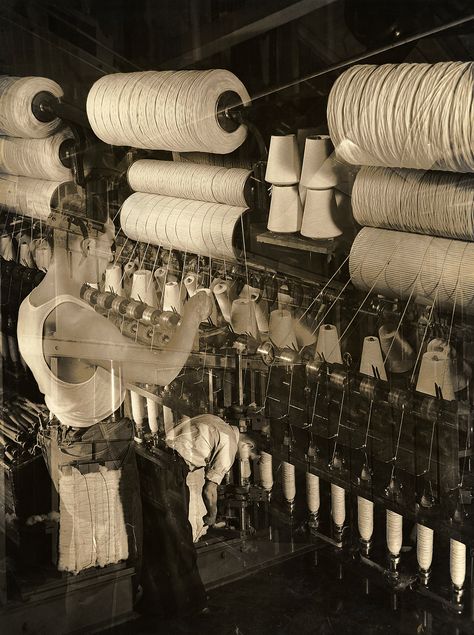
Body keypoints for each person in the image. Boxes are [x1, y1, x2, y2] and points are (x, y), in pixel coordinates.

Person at [16, 213, 213, 610]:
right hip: (100, 450)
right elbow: (163, 370)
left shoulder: (33, 304)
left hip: (64, 439)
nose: (112, 254)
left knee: (97, 558)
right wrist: (192, 312)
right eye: (109, 243)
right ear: (86, 244)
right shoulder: (76, 322)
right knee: (115, 565)